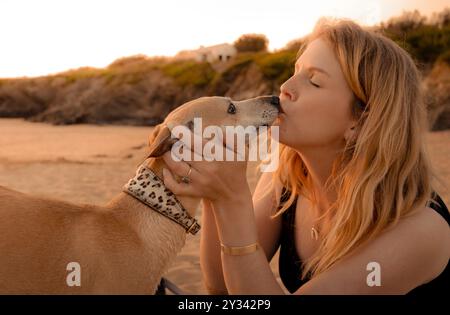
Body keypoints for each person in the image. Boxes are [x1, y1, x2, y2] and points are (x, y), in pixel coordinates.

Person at [160, 18, 450, 294]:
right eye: (296, 70)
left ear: (361, 122)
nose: (286, 87)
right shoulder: (288, 177)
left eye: (313, 81)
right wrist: (217, 194)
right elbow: (222, 287)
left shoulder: (421, 230)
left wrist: (233, 199)